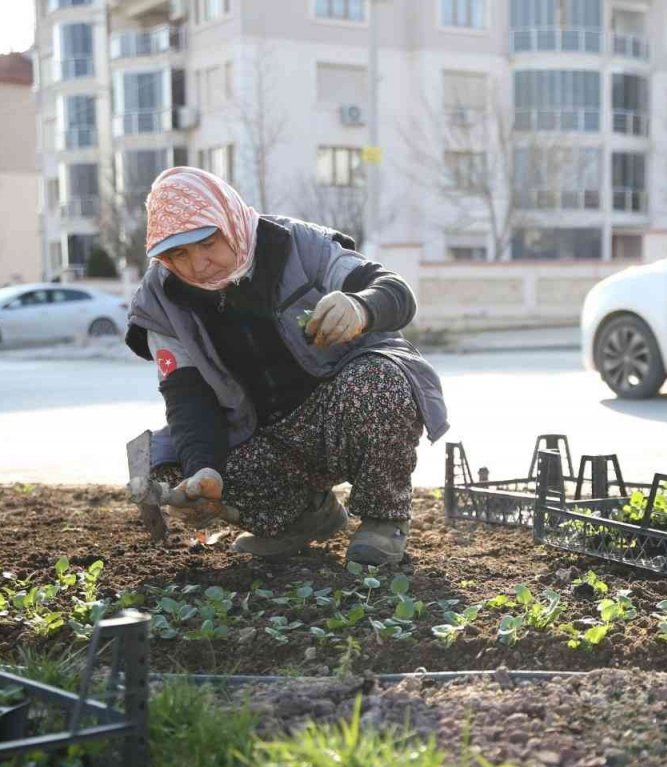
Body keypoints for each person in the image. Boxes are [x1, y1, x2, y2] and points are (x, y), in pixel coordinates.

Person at [124, 167, 448, 565]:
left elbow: (396, 293)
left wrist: (362, 305)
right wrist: (203, 472)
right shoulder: (160, 300)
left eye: (208, 243)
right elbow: (187, 397)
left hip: (340, 408)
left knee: (379, 380)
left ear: (230, 220)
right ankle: (304, 519)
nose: (198, 265)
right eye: (178, 254)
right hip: (264, 436)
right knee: (172, 470)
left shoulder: (296, 244)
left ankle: (384, 520)